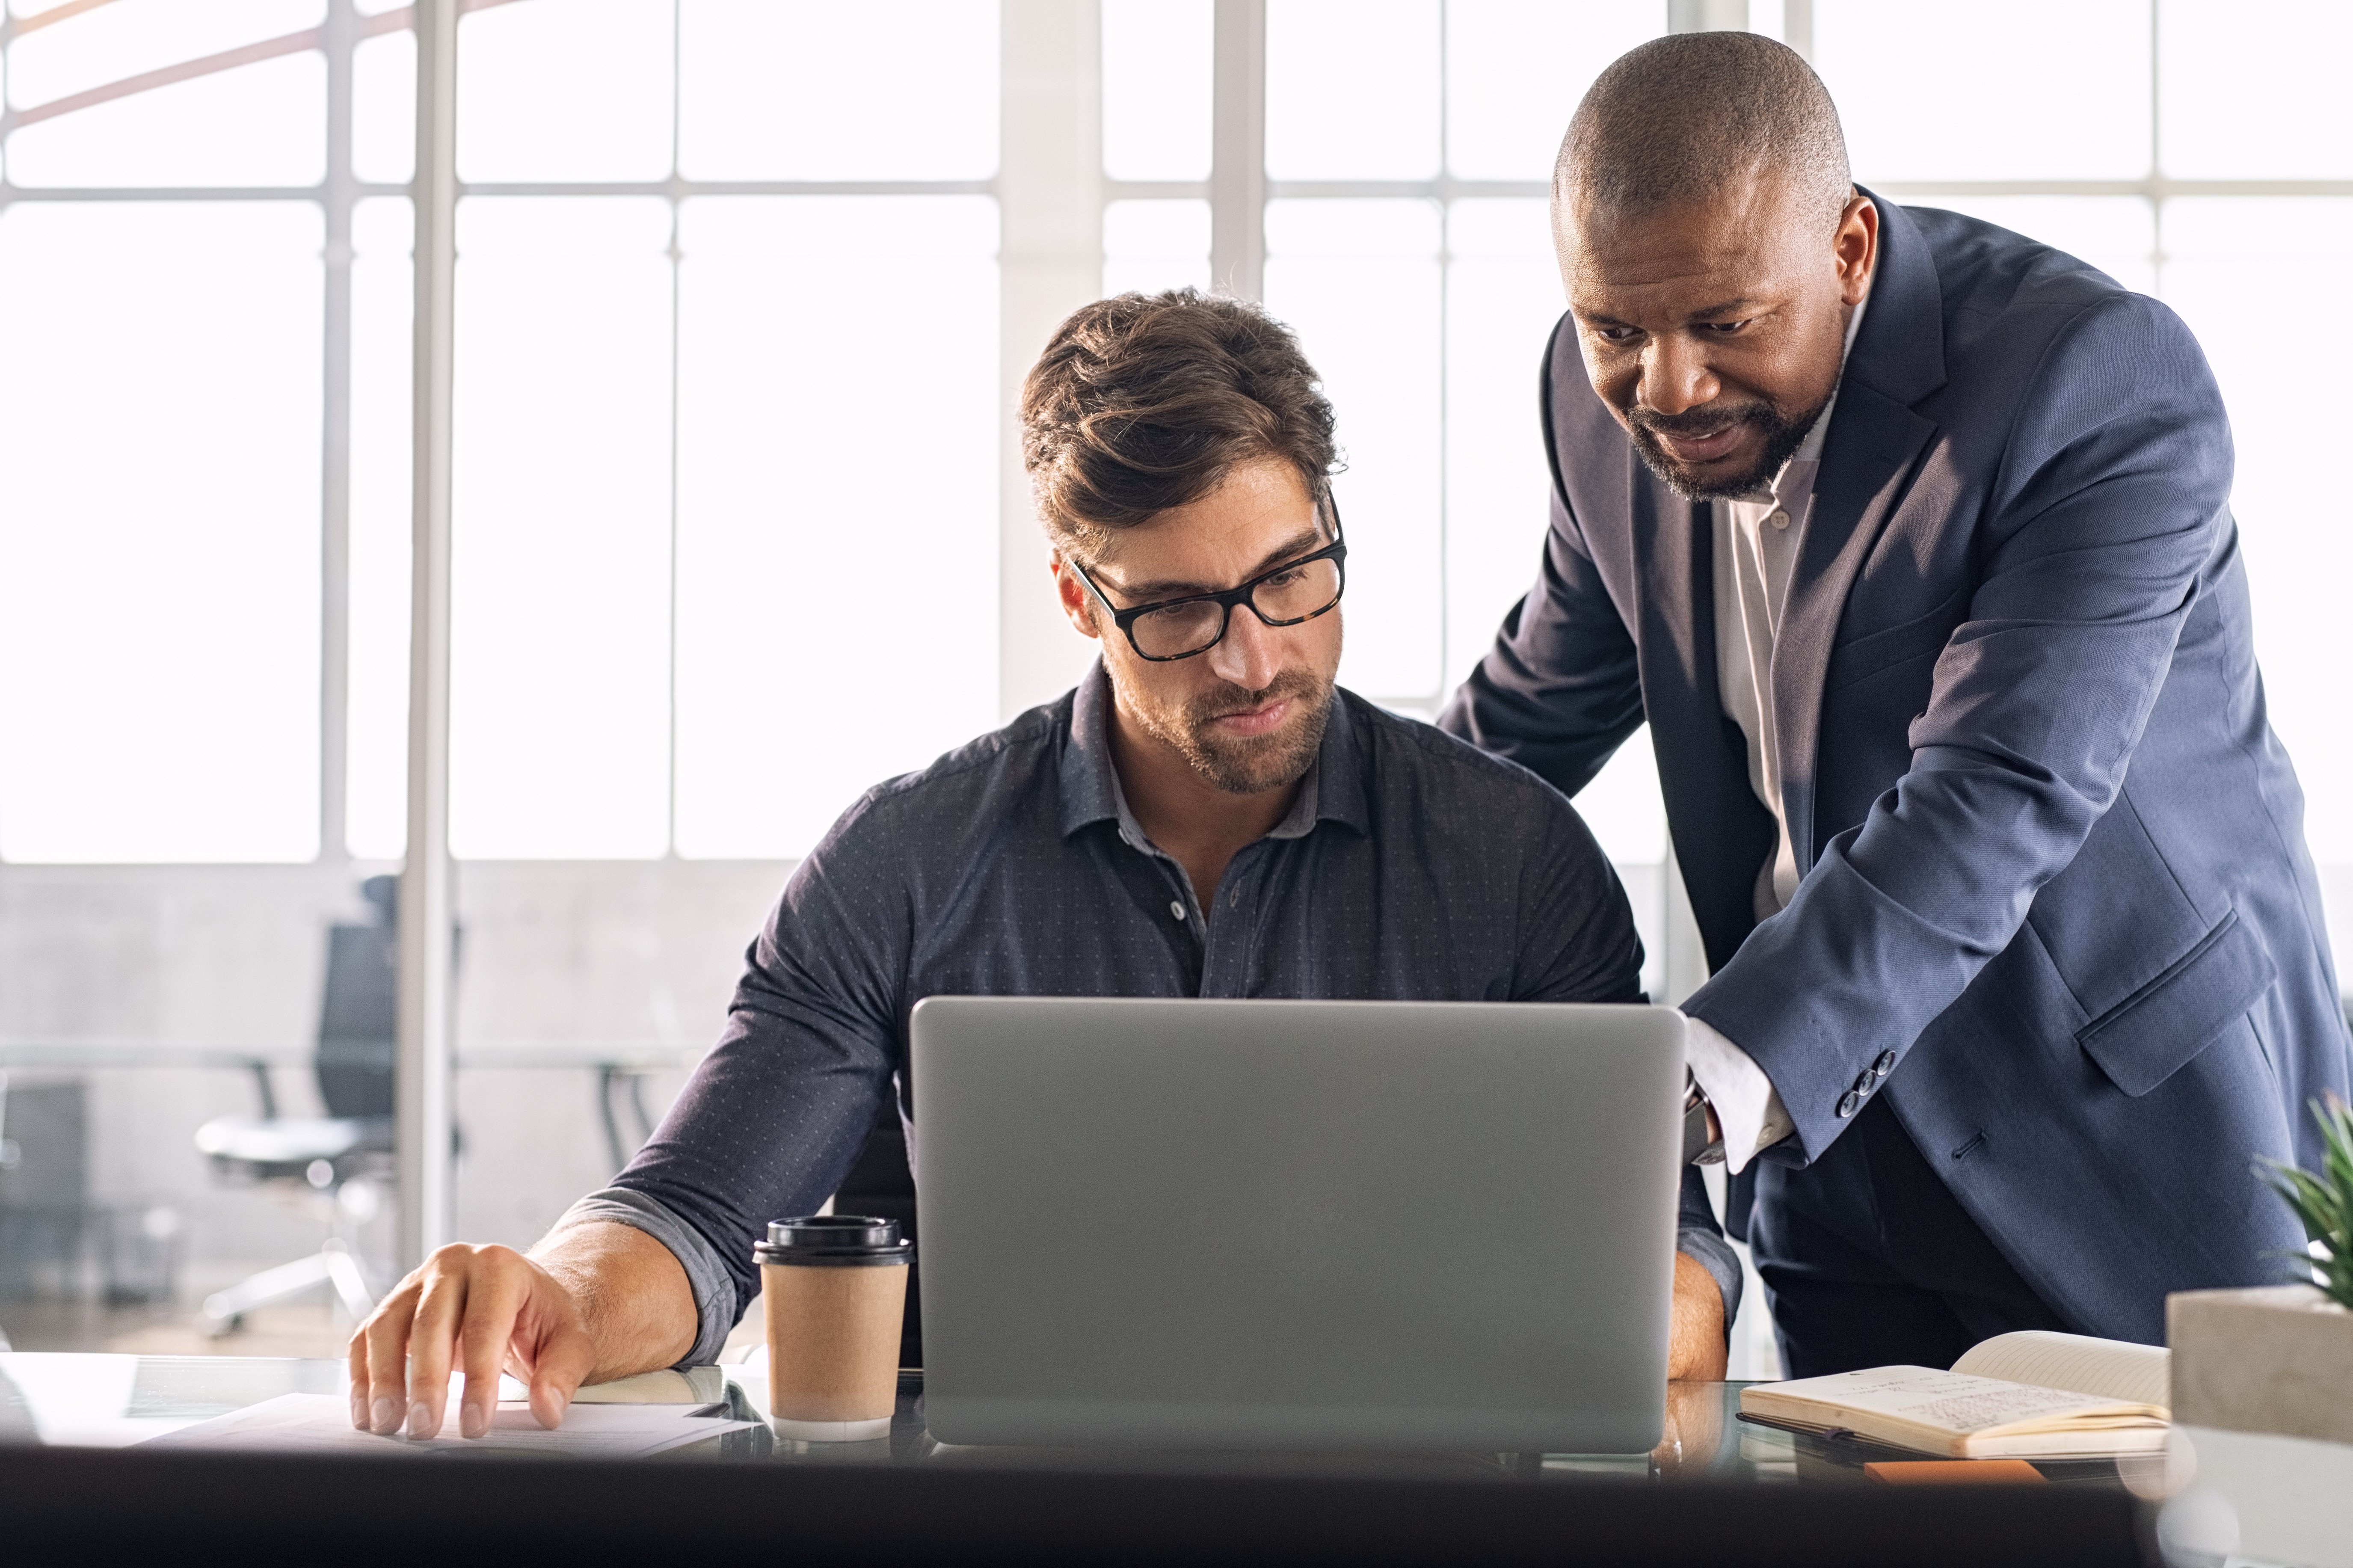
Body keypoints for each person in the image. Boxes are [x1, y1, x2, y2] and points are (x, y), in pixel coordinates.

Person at [349, 290, 1737, 1440]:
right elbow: (701, 1212)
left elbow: (1676, 1271)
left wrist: (1656, 1297)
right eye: (1181, 609)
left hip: (1402, 1511)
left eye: (1291, 577)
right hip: (1000, 1511)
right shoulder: (907, 858)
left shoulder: (1515, 859)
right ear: (1080, 595)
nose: (1257, 656)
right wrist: (560, 1296)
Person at [1441, 32, 2352, 1377]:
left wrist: (1701, 1081)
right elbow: (1516, 731)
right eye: (1615, 331)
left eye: (1725, 324)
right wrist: (1306, 853)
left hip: (2121, 1124)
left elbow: (1996, 792)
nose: (1668, 386)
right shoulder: (1596, 413)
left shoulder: (2094, 383)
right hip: (1828, 1148)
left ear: (1851, 250)